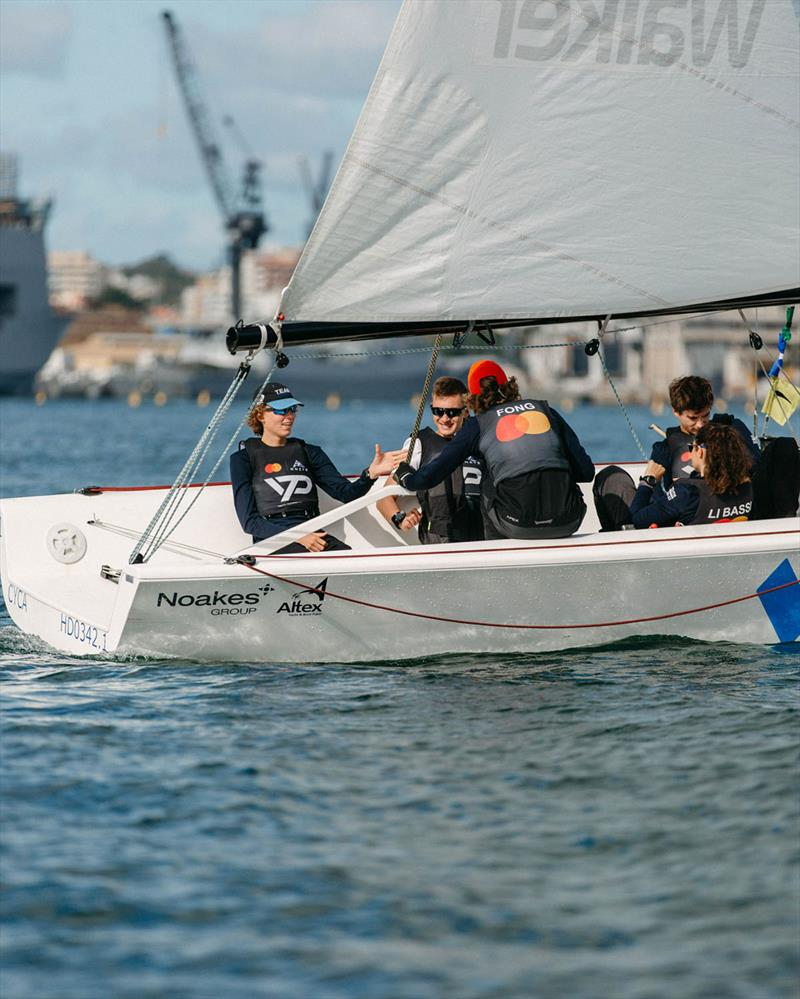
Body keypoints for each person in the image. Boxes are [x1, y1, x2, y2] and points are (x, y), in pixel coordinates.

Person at [393, 360, 595, 540]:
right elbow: (586, 472)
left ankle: (494, 551)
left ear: (471, 397)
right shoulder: (547, 411)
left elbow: (426, 479)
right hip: (568, 519)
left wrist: (405, 476)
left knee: (488, 478)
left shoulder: (479, 424)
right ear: (508, 386)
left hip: (517, 526)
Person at [230, 382, 403, 552]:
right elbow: (250, 523)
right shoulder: (242, 459)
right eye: (281, 410)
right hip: (272, 541)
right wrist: (296, 536)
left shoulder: (309, 452)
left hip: (312, 534)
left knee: (350, 560)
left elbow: (346, 494)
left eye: (292, 409)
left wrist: (370, 473)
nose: (289, 416)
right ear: (260, 415)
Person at [376, 376, 484, 544]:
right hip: (438, 543)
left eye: (452, 412)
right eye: (438, 411)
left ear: (466, 411)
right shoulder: (418, 445)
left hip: (482, 539)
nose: (445, 418)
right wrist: (401, 520)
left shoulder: (481, 438)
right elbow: (384, 498)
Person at [604, 422, 754, 529]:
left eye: (691, 447)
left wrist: (648, 482)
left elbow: (636, 519)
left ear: (700, 451)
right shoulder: (747, 486)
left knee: (612, 478)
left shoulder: (688, 492)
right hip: (721, 550)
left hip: (686, 557)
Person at [651, 375, 759, 487]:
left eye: (705, 415)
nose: (700, 425)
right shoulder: (664, 449)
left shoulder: (732, 429)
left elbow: (757, 467)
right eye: (693, 418)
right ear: (676, 412)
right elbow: (660, 496)